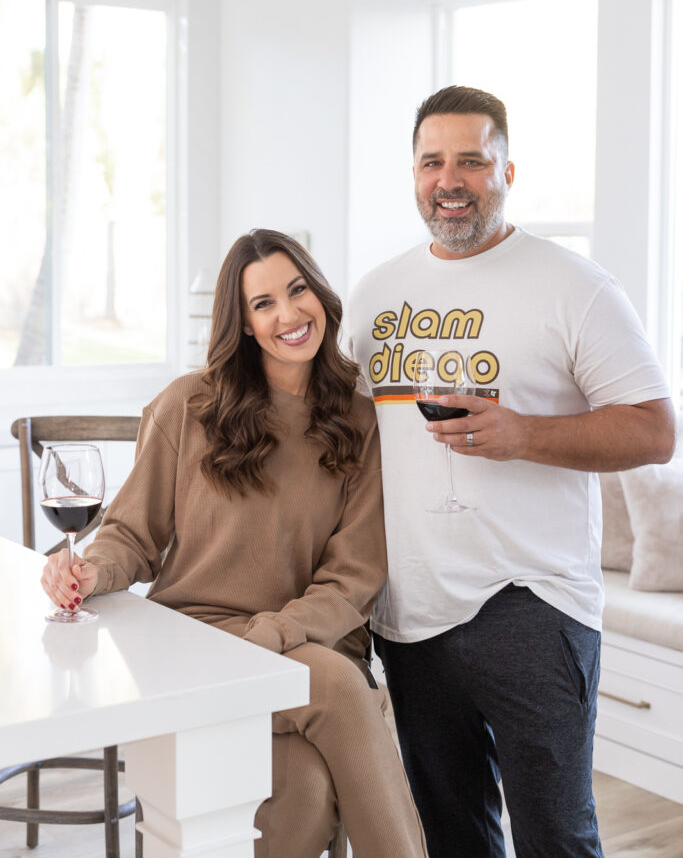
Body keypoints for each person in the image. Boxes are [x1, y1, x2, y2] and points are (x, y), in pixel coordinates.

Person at [347, 85, 676, 858]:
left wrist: (524, 434)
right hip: (409, 605)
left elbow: (655, 431)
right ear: (414, 173)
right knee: (451, 833)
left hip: (530, 601)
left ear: (506, 170)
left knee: (555, 836)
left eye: (471, 160)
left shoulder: (575, 287)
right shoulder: (374, 296)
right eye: (432, 162)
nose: (449, 179)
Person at [41, 228, 427, 858]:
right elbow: (132, 534)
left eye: (297, 290)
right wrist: (88, 570)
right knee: (336, 690)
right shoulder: (187, 406)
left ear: (319, 294)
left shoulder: (362, 420)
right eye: (263, 303)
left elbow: (354, 576)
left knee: (302, 789)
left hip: (304, 639)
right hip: (200, 641)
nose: (289, 314)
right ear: (244, 323)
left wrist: (274, 635)